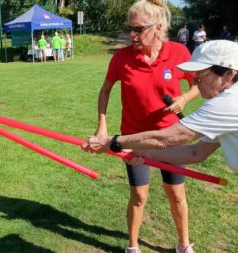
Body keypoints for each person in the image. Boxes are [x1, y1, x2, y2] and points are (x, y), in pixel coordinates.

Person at [83, 0, 201, 253]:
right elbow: (105, 91)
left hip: (170, 139)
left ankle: (184, 245)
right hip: (134, 139)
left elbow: (196, 85)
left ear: (158, 27)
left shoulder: (179, 52)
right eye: (130, 29)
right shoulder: (122, 58)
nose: (132, 35)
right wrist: (102, 127)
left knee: (177, 194)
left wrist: (184, 97)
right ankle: (133, 247)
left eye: (138, 29)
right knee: (139, 195)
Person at [84, 40, 238, 192]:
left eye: (201, 75)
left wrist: (112, 142)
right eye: (195, 76)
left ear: (229, 75)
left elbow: (167, 138)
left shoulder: (228, 103)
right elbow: (196, 152)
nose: (196, 81)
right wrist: (143, 154)